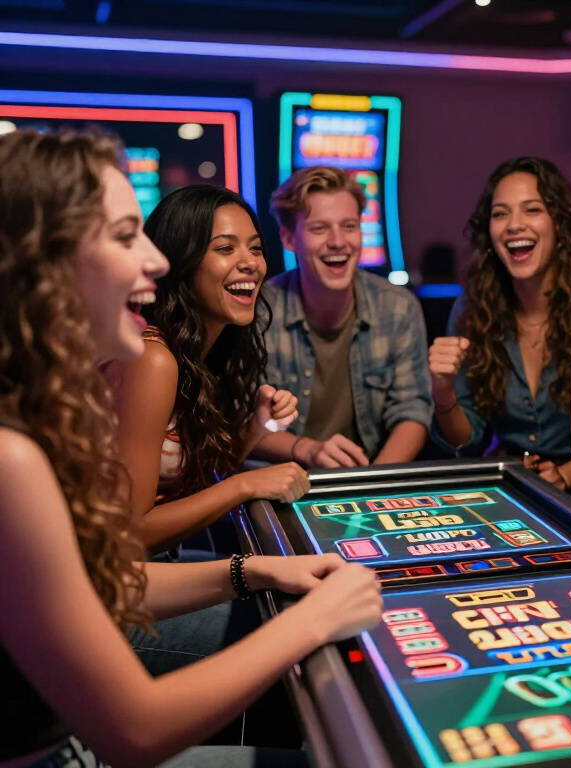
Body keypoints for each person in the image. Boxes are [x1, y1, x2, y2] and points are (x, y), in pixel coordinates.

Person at [0, 128, 382, 768]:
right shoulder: (13, 455)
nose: (153, 261)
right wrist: (310, 621)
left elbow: (104, 584)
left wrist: (254, 570)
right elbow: (136, 731)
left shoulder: (40, 413)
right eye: (126, 237)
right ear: (48, 262)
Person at [429, 157, 571, 528]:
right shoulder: (471, 308)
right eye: (500, 214)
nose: (515, 225)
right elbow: (468, 438)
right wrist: (442, 391)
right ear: (489, 232)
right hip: (502, 481)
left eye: (532, 209)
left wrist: (562, 477)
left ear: (559, 224)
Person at [104, 185, 307, 557]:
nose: (250, 262)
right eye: (226, 248)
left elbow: (192, 482)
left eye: (256, 247)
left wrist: (256, 427)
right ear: (181, 263)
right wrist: (244, 485)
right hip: (105, 583)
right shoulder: (153, 359)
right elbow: (126, 535)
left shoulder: (204, 352)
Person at [256, 166, 432, 469]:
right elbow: (239, 425)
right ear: (288, 238)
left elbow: (412, 413)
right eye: (319, 228)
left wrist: (373, 484)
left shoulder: (399, 307)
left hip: (371, 474)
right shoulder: (260, 312)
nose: (338, 241)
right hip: (280, 481)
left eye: (349, 226)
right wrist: (307, 450)